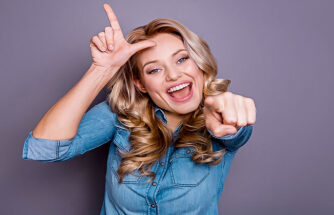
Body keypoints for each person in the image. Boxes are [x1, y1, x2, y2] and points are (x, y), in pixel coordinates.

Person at [22, 3, 256, 215]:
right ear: (140, 84)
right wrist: (102, 70)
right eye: (155, 70)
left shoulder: (219, 117)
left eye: (182, 59)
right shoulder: (119, 116)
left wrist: (229, 121)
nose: (174, 75)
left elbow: (234, 132)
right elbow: (44, 148)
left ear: (200, 64)